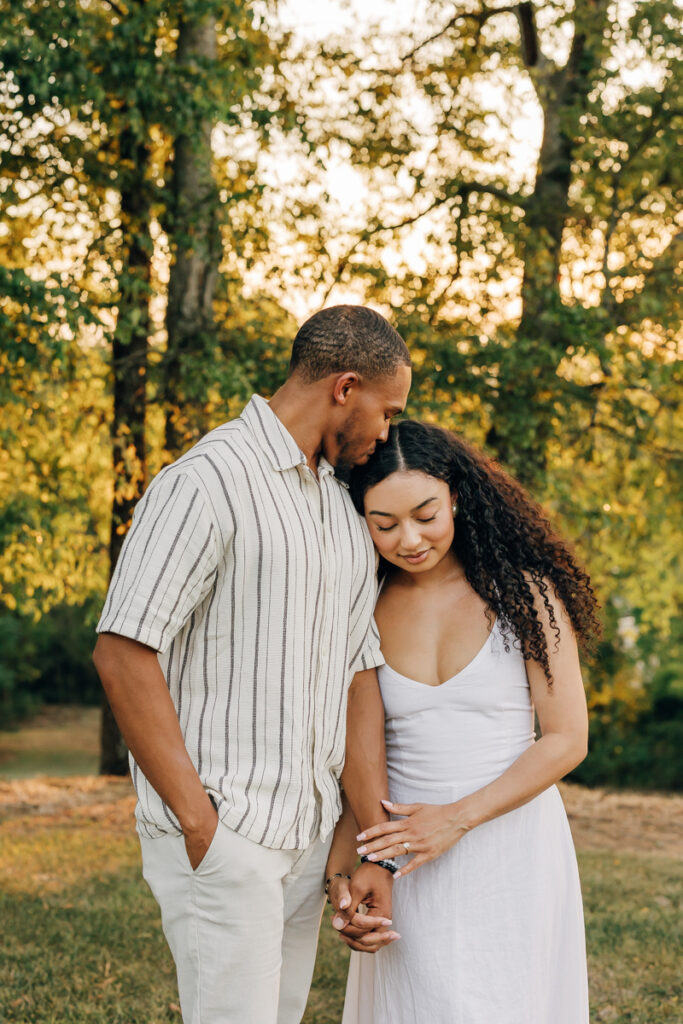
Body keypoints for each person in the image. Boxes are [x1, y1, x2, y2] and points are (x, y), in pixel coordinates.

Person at [92, 304, 412, 1024]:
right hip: (225, 835)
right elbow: (122, 651)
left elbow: (358, 678)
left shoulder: (339, 511)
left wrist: (367, 848)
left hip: (304, 843)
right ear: (345, 387)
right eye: (386, 412)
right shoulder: (206, 480)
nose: (386, 434)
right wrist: (201, 824)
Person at [325, 418, 599, 1023]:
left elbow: (566, 739)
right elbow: (361, 751)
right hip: (405, 855)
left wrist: (453, 821)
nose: (410, 539)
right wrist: (352, 869)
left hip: (511, 844)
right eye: (385, 524)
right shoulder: (359, 606)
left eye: (426, 514)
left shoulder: (524, 595)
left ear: (455, 494)